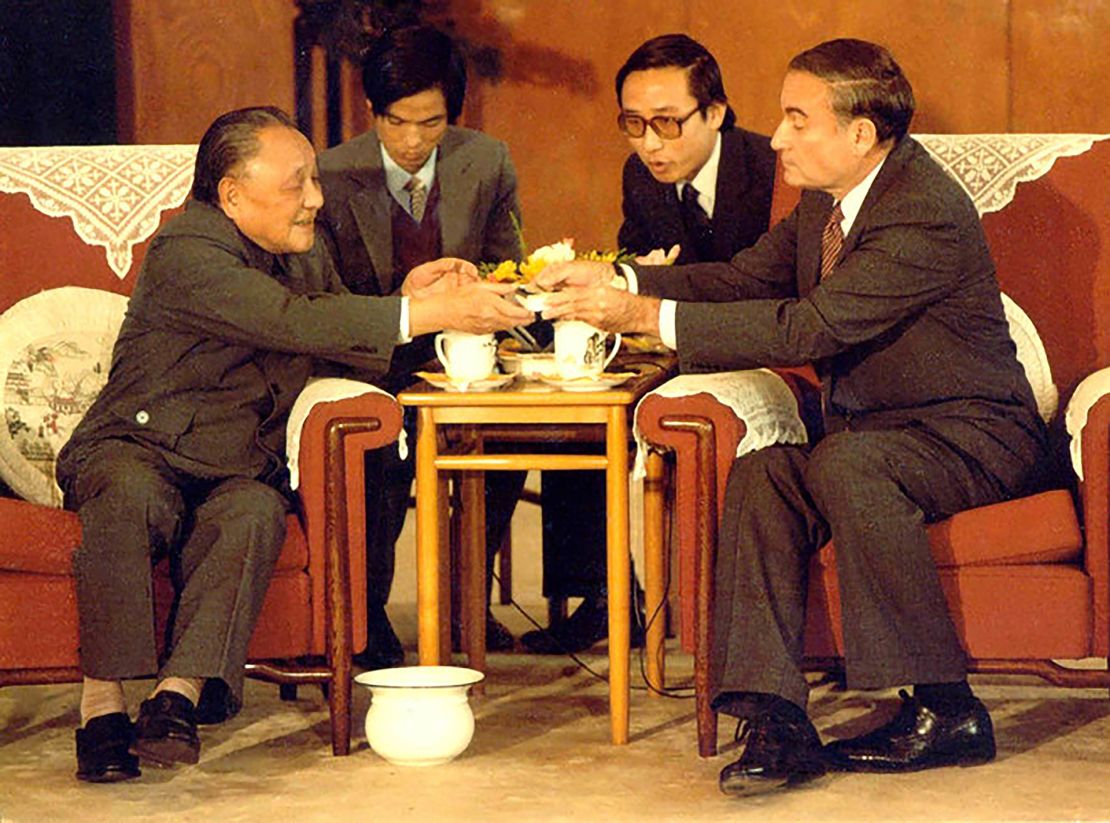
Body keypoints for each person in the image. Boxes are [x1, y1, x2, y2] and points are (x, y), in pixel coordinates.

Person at [535, 39, 1048, 796]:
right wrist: (619, 274)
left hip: (974, 432)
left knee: (847, 461)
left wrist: (641, 314)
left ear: (859, 134)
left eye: (796, 119)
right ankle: (775, 716)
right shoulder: (825, 201)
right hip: (881, 437)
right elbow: (744, 278)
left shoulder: (922, 212)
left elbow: (811, 328)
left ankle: (948, 708)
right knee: (764, 473)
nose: (775, 137)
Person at [58, 106, 531, 783]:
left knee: (253, 513)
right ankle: (101, 705)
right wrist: (428, 313)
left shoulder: (304, 249)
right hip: (139, 447)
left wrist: (406, 294)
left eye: (315, 179)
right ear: (231, 194)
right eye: (297, 183)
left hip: (236, 462)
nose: (316, 197)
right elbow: (286, 320)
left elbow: (335, 339)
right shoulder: (187, 250)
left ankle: (176, 700)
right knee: (129, 497)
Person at [521, 33, 776, 654]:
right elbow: (638, 254)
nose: (651, 145)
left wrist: (640, 282)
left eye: (667, 123)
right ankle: (601, 598)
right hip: (669, 339)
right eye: (634, 125)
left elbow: (763, 282)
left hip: (759, 343)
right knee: (582, 397)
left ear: (714, 112)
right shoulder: (641, 174)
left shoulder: (771, 169)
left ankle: (702, 607)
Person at [317, 25, 528, 664]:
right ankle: (367, 613)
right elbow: (324, 303)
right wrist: (411, 302)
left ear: (452, 114)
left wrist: (479, 284)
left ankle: (463, 601)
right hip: (369, 358)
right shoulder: (329, 174)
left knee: (509, 428)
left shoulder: (486, 161)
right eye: (396, 122)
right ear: (374, 112)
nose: (412, 142)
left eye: (430, 123)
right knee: (381, 440)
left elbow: (511, 268)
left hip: (463, 355)